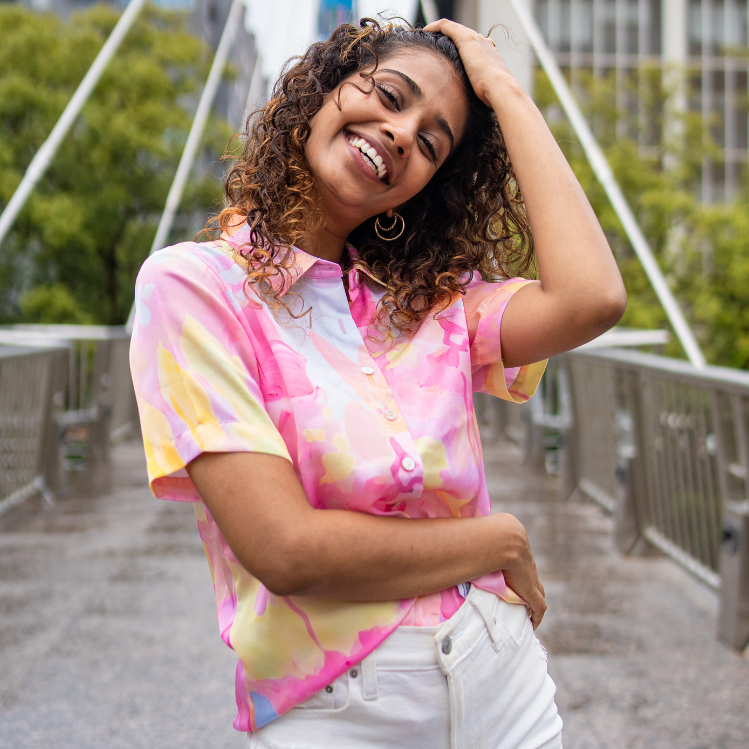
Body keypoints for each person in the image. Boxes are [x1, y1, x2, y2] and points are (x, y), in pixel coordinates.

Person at [129, 16, 626, 749]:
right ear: (321, 93)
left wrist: (506, 92)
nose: (400, 133)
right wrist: (496, 539)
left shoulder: (428, 301)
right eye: (389, 95)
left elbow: (591, 299)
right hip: (338, 710)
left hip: (501, 678)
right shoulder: (195, 287)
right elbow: (287, 549)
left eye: (431, 142)